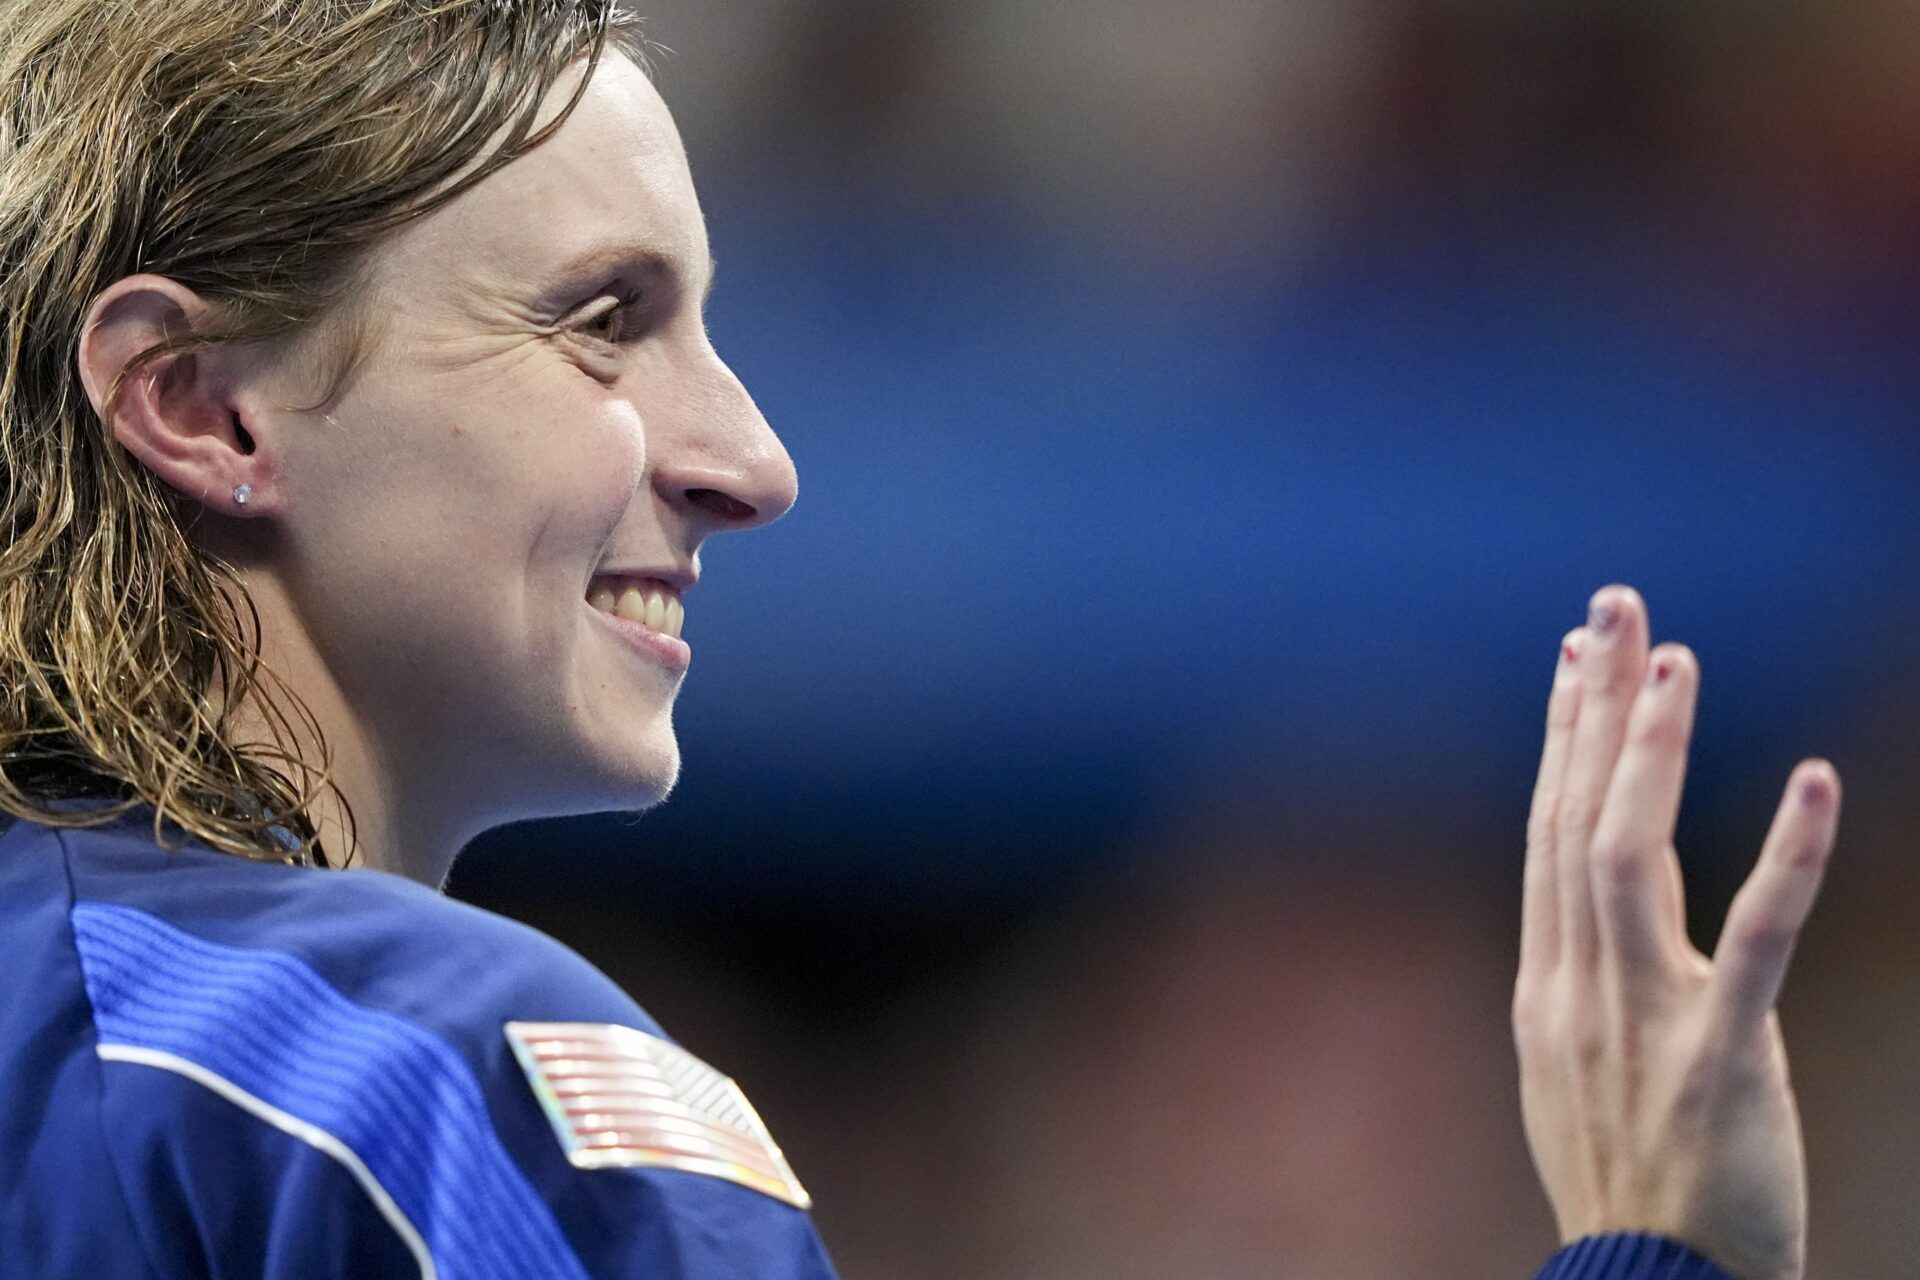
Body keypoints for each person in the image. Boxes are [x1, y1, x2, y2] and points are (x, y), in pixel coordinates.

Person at [0, 2, 1839, 1277]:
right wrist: (1657, 1246)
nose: (753, 463)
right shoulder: (434, 1085)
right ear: (204, 408)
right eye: (603, 319)